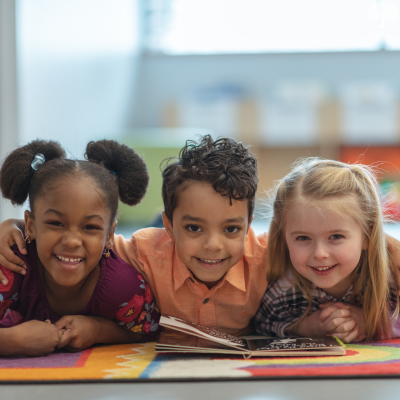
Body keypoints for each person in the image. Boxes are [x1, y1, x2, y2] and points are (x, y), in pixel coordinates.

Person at [2, 137, 400, 337]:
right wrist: (16, 228)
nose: (212, 245)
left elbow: (369, 239)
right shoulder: (142, 251)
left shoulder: (269, 257)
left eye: (231, 230)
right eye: (193, 228)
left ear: (250, 229)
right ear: (168, 225)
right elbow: (88, 236)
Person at [0, 139, 159, 356]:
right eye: (56, 223)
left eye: (90, 227)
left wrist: (97, 330)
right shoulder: (10, 267)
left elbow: (146, 330)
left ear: (110, 236)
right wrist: (12, 341)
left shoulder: (123, 288)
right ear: (30, 225)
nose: (72, 241)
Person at [253, 158, 399, 343]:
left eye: (336, 237)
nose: (320, 253)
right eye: (303, 238)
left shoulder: (392, 278)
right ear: (284, 239)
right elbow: (262, 324)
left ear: (367, 236)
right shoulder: (283, 291)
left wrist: (373, 323)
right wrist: (307, 327)